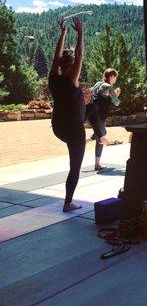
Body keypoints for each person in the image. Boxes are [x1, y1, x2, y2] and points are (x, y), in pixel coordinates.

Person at [48, 17, 105, 212]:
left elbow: (56, 57)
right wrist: (80, 34)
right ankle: (68, 202)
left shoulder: (53, 78)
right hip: (73, 130)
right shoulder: (71, 79)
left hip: (59, 127)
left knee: (93, 107)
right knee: (75, 167)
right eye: (75, 65)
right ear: (71, 67)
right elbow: (80, 55)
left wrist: (63, 33)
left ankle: (99, 134)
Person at [87, 68, 121, 170]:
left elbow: (92, 93)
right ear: (111, 77)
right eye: (115, 77)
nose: (115, 79)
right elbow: (116, 102)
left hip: (91, 114)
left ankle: (86, 141)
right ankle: (97, 165)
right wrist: (116, 94)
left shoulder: (98, 84)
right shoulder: (109, 87)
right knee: (101, 138)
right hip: (99, 116)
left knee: (102, 132)